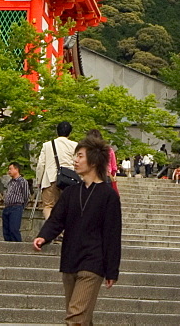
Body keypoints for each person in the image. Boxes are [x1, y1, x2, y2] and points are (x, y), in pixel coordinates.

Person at [34, 135, 122, 326]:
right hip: (70, 260)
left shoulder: (109, 196)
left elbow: (113, 235)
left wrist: (112, 270)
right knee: (82, 318)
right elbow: (57, 220)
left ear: (94, 159)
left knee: (75, 317)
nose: (75, 160)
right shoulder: (71, 192)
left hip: (93, 263)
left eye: (80, 156)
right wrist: (43, 236)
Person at [34, 121, 78, 220]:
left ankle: (50, 231)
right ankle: (65, 232)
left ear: (57, 132)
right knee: (67, 207)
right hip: (69, 180)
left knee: (48, 206)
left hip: (50, 179)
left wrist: (39, 181)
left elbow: (41, 165)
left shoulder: (47, 145)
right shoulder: (75, 145)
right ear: (70, 133)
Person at [2, 162, 30, 242]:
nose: (9, 171)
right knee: (6, 230)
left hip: (16, 206)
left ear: (16, 169)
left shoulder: (22, 181)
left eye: (11, 169)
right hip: (7, 207)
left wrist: (22, 206)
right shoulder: (10, 182)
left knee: (14, 229)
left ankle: (18, 246)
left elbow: (26, 195)